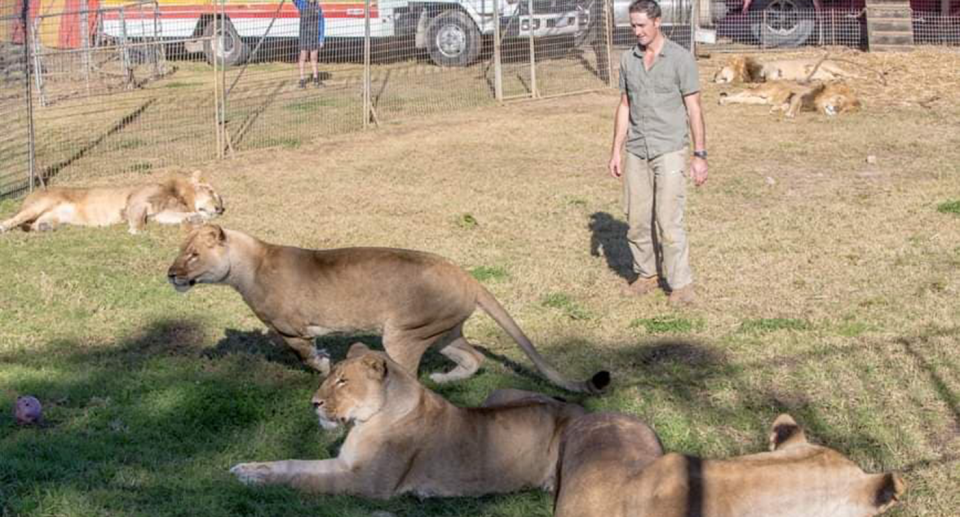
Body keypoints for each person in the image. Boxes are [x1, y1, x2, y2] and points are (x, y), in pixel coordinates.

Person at [607, 0, 708, 305]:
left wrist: (699, 155)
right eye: (632, 25)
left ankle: (681, 284)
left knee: (668, 220)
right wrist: (616, 151)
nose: (636, 31)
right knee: (637, 219)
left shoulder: (680, 59)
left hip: (669, 149)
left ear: (657, 22)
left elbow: (694, 108)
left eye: (641, 25)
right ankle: (646, 274)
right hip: (638, 149)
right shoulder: (628, 60)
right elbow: (625, 105)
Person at [294, 0, 325, 88]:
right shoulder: (302, 4)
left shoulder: (318, 8)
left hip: (314, 36)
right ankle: (302, 80)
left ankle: (316, 80)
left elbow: (322, 23)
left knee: (314, 58)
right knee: (303, 57)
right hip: (304, 35)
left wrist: (321, 38)